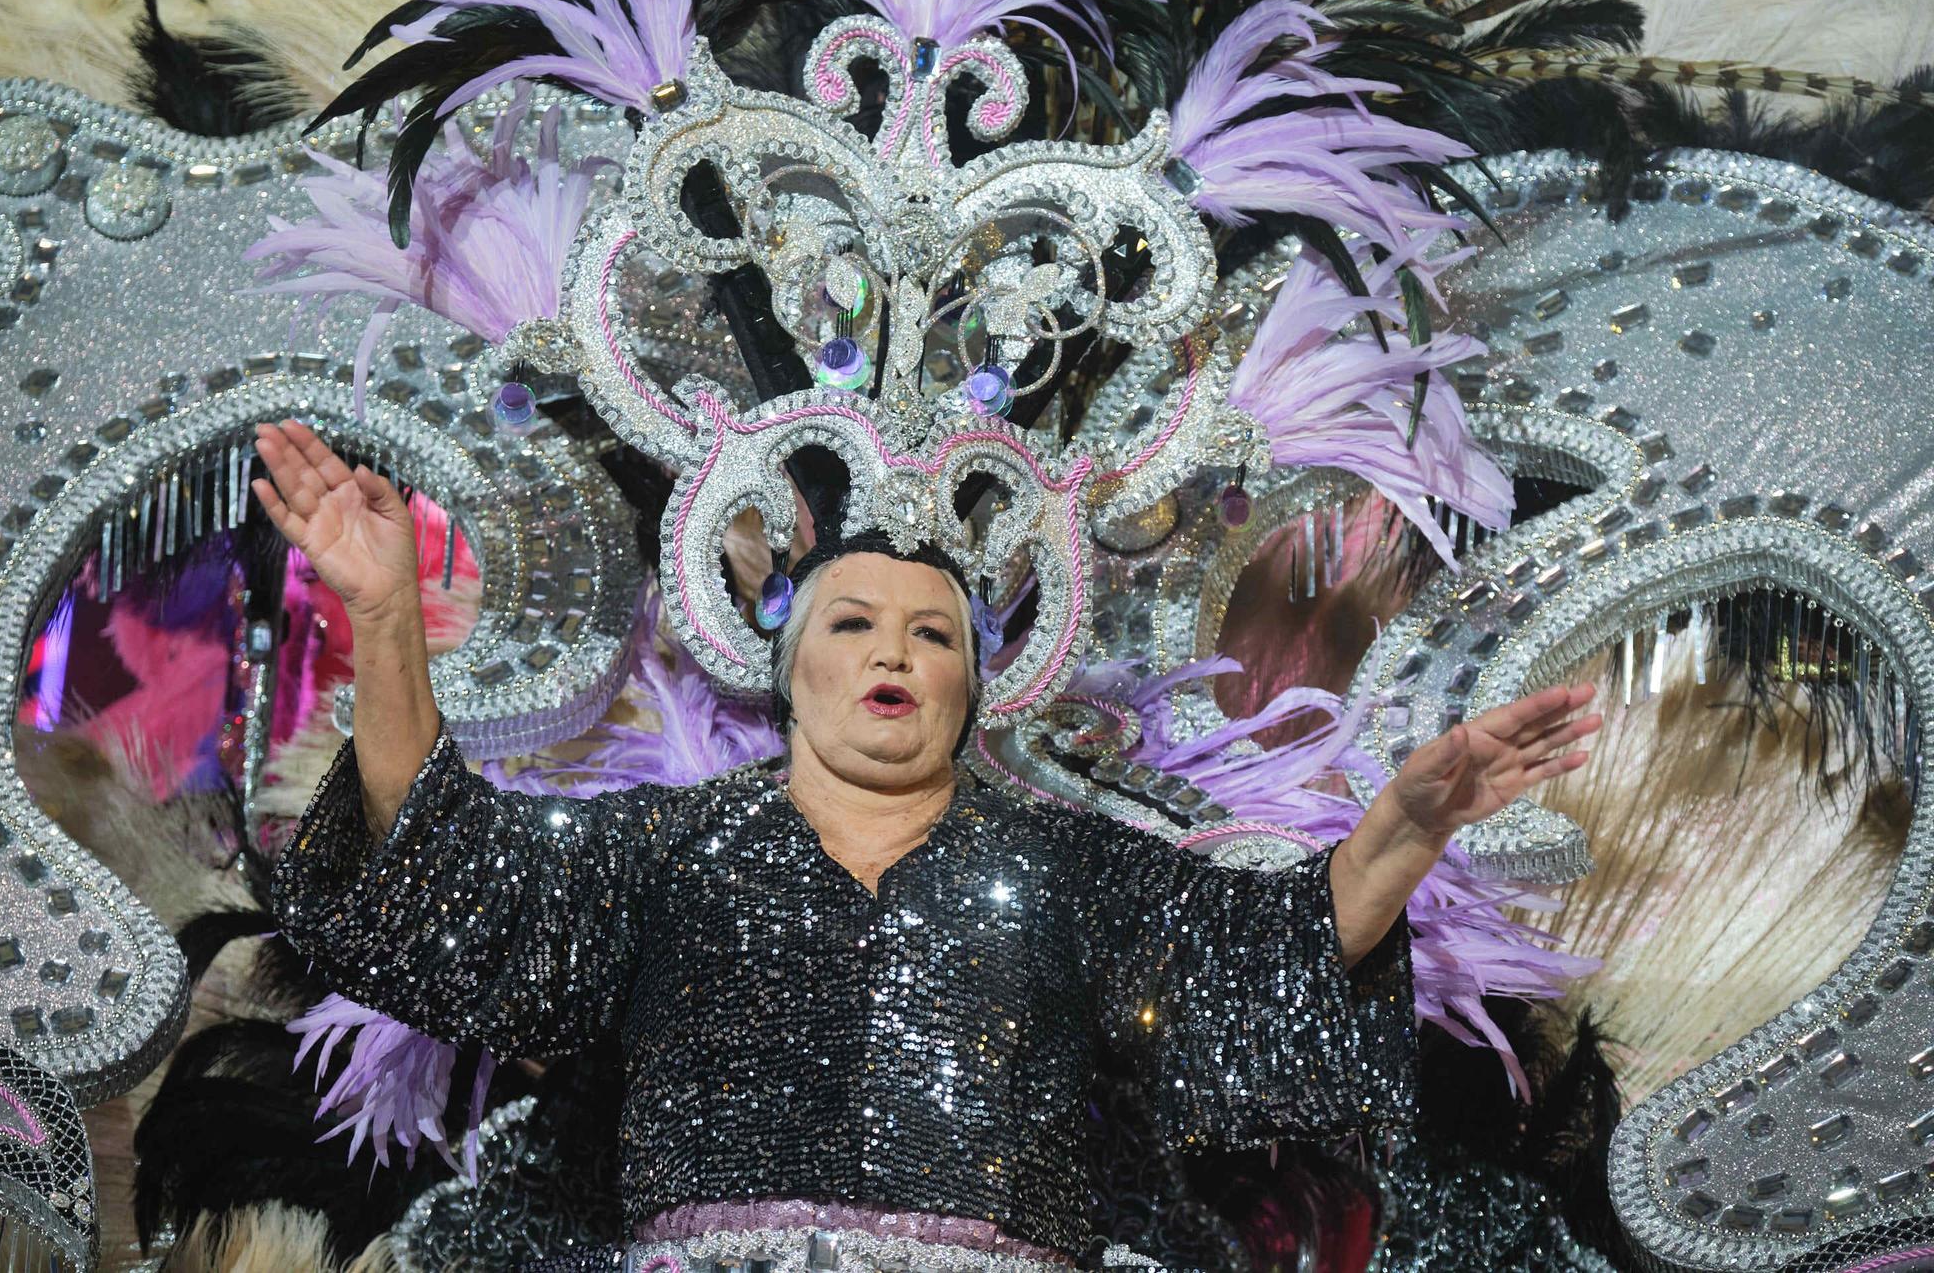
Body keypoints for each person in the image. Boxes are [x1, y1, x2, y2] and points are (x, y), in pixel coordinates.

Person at [252, 418, 1601, 1272]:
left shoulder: (1068, 867)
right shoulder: (664, 849)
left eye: (933, 632)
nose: (892, 650)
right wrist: (385, 617)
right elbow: (442, 878)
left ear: (972, 685)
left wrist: (1405, 826)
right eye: (852, 624)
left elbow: (1271, 966)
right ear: (789, 671)